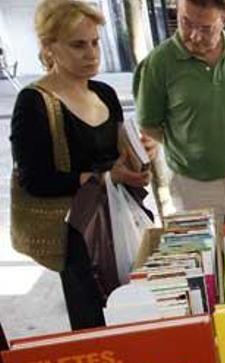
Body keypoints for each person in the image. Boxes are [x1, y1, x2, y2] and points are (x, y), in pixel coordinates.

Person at [10, 0, 154, 329]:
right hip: (79, 235)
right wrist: (104, 176)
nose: (91, 53)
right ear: (49, 48)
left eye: (95, 42)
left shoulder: (103, 92)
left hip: (125, 218)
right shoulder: (35, 102)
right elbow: (35, 179)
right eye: (78, 45)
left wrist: (140, 155)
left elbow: (119, 157)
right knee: (98, 321)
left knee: (143, 308)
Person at [134, 0, 225, 218]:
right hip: (193, 186)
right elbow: (149, 126)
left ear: (224, 20)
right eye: (185, 22)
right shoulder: (158, 63)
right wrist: (190, 146)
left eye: (206, 28)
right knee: (207, 252)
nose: (194, 36)